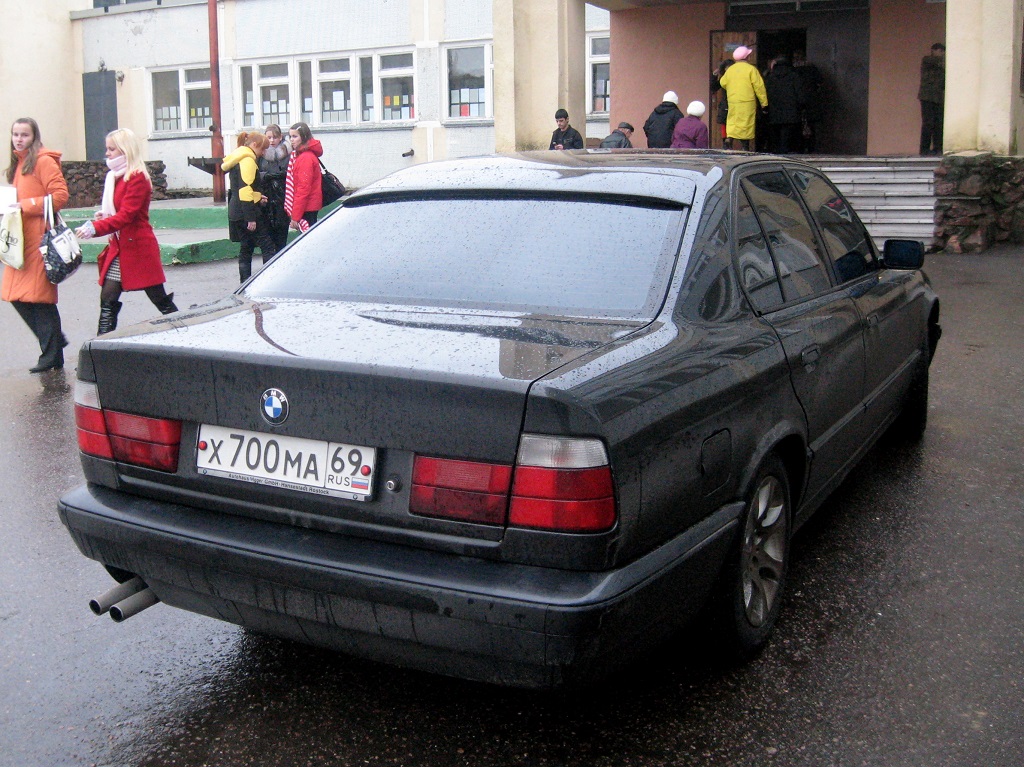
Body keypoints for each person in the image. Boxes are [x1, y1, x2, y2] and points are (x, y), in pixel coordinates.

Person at [75, 128, 177, 334]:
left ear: (125, 150)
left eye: (112, 149)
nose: (107, 153)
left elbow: (126, 216)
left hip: (138, 248)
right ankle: (100, 350)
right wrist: (102, 217)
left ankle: (185, 329)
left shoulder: (137, 177)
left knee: (158, 297)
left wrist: (94, 228)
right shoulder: (114, 176)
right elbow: (118, 212)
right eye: (107, 149)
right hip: (121, 246)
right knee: (107, 298)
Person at [2, 117, 69, 372]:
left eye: (24, 135)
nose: (19, 139)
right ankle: (55, 344)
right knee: (16, 295)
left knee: (39, 299)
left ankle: (50, 354)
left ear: (34, 137)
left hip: (40, 240)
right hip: (21, 241)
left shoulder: (43, 161)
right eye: (15, 134)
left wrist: (27, 206)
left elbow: (60, 196)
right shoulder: (19, 164)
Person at [222, 131, 277, 282]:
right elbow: (245, 189)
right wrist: (251, 218)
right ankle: (268, 281)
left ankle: (244, 283)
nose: (263, 152)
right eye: (262, 149)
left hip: (235, 210)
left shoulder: (237, 158)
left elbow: (239, 188)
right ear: (254, 145)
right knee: (267, 246)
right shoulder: (248, 161)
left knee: (246, 248)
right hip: (247, 211)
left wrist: (258, 196)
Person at [718, 46, 768, 151]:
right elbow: (759, 87)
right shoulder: (751, 69)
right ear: (747, 57)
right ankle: (745, 146)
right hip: (747, 102)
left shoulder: (730, 70)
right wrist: (764, 104)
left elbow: (723, 82)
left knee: (733, 121)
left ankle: (729, 138)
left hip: (733, 101)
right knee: (746, 124)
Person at [285, 122, 323, 233]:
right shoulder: (303, 155)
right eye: (290, 136)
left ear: (304, 137)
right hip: (308, 205)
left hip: (307, 207)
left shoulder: (305, 158)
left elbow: (303, 189)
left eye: (295, 136)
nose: (292, 140)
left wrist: (295, 216)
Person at [763, 56, 804, 154]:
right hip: (791, 110)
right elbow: (800, 93)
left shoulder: (770, 77)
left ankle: (775, 150)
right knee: (787, 132)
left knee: (775, 131)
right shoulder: (794, 76)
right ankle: (784, 150)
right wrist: (802, 105)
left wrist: (765, 107)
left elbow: (765, 92)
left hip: (774, 109)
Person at [259, 124, 290, 252]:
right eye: (269, 137)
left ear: (280, 137)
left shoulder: (287, 153)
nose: (272, 141)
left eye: (275, 137)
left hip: (283, 198)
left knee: (281, 236)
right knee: (268, 239)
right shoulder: (261, 154)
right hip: (266, 198)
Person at [792, 50, 823, 153]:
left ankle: (799, 148)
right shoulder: (812, 69)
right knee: (812, 128)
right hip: (812, 103)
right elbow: (820, 84)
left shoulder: (793, 72)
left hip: (796, 104)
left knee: (797, 128)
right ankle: (812, 149)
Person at [919, 42, 945, 156]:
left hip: (938, 98)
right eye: (940, 51)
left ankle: (937, 148)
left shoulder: (940, 66)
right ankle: (924, 149)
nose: (942, 54)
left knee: (938, 124)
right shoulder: (928, 60)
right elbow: (935, 62)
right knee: (928, 123)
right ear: (934, 50)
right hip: (927, 96)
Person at [711, 60, 734, 146]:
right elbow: (713, 87)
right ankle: (726, 143)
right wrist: (714, 76)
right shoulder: (723, 79)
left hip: (735, 105)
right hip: (725, 105)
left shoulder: (737, 78)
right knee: (724, 125)